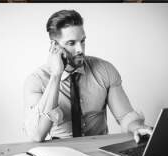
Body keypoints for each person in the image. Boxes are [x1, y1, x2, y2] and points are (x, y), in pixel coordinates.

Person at [23, 9, 152, 143]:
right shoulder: (36, 81)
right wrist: (56, 76)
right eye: (71, 43)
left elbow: (125, 115)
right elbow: (37, 135)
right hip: (59, 153)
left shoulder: (105, 70)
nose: (80, 49)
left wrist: (137, 127)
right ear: (55, 46)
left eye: (82, 41)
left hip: (99, 150)